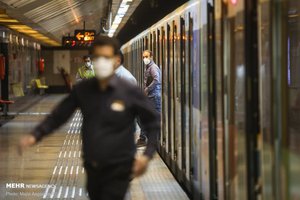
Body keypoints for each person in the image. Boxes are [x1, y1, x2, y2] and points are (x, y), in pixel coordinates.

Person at [18, 36, 160, 200]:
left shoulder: (129, 90)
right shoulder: (83, 90)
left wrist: (147, 155)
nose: (101, 62)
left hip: (120, 166)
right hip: (92, 166)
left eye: (106, 57)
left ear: (117, 60)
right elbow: (59, 116)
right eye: (96, 58)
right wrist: (35, 135)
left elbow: (152, 122)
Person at [136, 50, 162, 147]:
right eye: (143, 57)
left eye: (146, 56)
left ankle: (147, 139)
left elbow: (156, 79)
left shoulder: (153, 68)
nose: (144, 59)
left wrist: (147, 89)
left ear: (151, 56)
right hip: (151, 96)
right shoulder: (149, 67)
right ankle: (147, 138)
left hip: (154, 96)